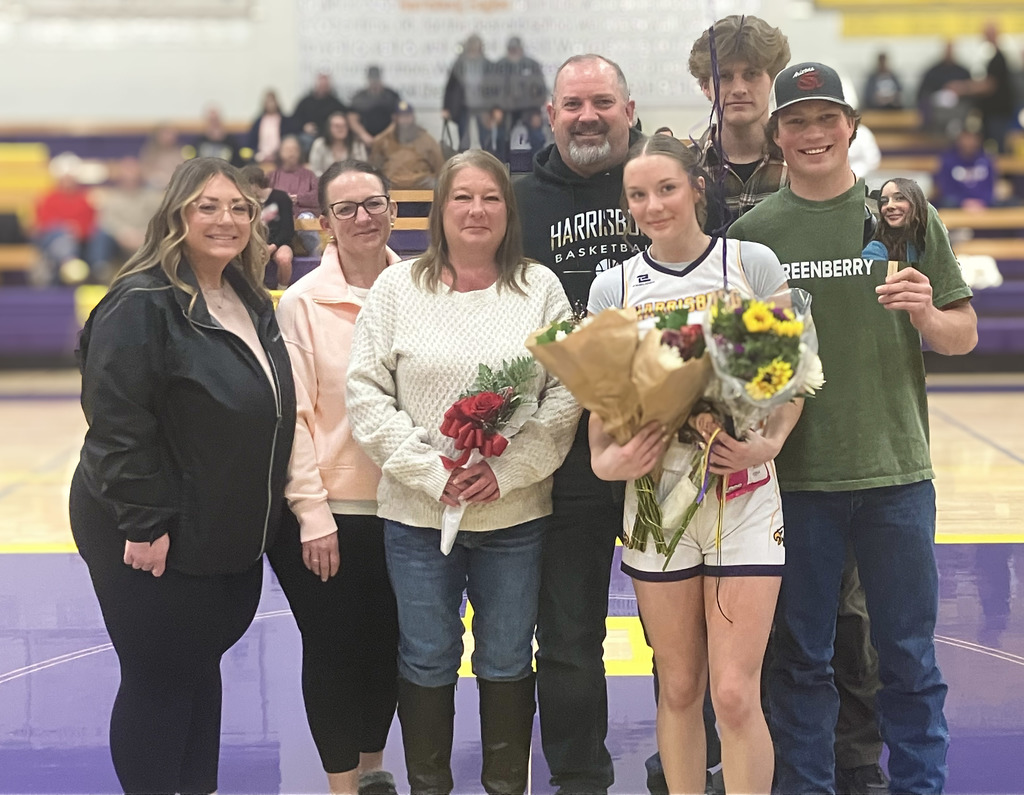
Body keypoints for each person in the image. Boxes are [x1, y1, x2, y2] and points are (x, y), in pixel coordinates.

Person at [728, 61, 977, 795]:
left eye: (825, 118)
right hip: (793, 481)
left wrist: (926, 313)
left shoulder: (903, 212)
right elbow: (741, 370)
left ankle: (920, 786)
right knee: (800, 660)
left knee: (908, 657)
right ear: (776, 135)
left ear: (851, 127)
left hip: (896, 473)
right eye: (796, 121)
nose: (813, 133)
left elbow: (962, 334)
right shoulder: (750, 236)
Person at [346, 149, 579, 795]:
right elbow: (365, 392)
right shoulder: (397, 289)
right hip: (417, 516)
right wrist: (431, 471)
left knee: (506, 654)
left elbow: (567, 391)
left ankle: (506, 786)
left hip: (515, 516)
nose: (477, 210)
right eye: (462, 197)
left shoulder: (539, 288)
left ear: (509, 210)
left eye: (491, 197)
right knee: (427, 655)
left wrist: (509, 470)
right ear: (439, 210)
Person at [69, 157, 296, 795]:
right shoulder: (141, 301)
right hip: (147, 525)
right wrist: (144, 523)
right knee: (159, 677)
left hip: (214, 522)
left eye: (239, 208)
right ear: (176, 216)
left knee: (197, 668)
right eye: (208, 206)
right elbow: (118, 422)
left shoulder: (245, 295)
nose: (227, 220)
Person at [589, 133, 798, 795]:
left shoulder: (751, 263)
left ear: (696, 187)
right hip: (658, 504)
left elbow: (793, 376)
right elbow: (603, 413)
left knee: (734, 693)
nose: (652, 205)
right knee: (679, 686)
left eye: (666, 189)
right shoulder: (613, 286)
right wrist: (609, 461)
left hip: (743, 492)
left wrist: (769, 443)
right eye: (638, 195)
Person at [513, 53, 648, 795]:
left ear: (629, 109)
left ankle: (689, 769)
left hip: (669, 450)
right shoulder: (517, 201)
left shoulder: (669, 183)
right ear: (551, 115)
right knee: (567, 637)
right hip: (564, 455)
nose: (587, 116)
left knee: (685, 634)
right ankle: (578, 777)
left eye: (601, 102)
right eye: (573, 104)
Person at [267, 160, 401, 795]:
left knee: (388, 647)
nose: (362, 218)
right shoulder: (302, 303)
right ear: (324, 223)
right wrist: (313, 514)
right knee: (332, 650)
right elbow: (293, 415)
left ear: (392, 210)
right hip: (329, 515)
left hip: (404, 509)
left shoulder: (420, 289)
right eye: (345, 209)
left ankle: (373, 774)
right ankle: (342, 786)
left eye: (372, 203)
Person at [687, 14, 791, 223]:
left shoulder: (799, 162)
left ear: (773, 80)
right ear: (705, 86)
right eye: (724, 76)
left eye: (751, 74)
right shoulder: (685, 168)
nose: (739, 89)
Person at [90, 156, 163, 282]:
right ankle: (100, 270)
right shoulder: (112, 197)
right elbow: (106, 221)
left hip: (145, 239)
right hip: (119, 240)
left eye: (133, 172)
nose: (130, 176)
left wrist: (143, 234)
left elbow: (159, 220)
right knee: (102, 234)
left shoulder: (151, 198)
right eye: (126, 172)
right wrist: (123, 233)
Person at [240, 164, 295, 288]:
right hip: (254, 242)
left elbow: (287, 229)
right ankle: (254, 290)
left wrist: (272, 247)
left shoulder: (281, 197)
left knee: (284, 259)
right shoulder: (247, 201)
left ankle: (282, 290)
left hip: (279, 242)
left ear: (255, 184)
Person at [369, 102, 445, 190]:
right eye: (401, 117)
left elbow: (440, 166)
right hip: (391, 183)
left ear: (413, 117)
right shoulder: (384, 140)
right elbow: (374, 166)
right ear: (395, 118)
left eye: (407, 116)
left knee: (434, 183)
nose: (405, 121)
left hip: (421, 184)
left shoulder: (427, 139)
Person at [442, 33, 496, 151]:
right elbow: (450, 87)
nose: (473, 50)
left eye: (476, 47)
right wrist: (446, 108)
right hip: (464, 107)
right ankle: (464, 161)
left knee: (486, 140)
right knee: (464, 141)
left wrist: (495, 108)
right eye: (471, 47)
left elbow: (494, 89)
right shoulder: (459, 64)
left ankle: (487, 161)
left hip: (483, 108)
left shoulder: (488, 65)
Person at [863, 177, 930, 263]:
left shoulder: (933, 243)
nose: (889, 206)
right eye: (884, 201)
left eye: (899, 198)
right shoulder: (875, 250)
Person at [916, 41, 972, 136]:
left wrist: (959, 90)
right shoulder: (933, 71)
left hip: (958, 108)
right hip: (937, 109)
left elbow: (971, 91)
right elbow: (923, 93)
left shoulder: (962, 72)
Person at [934, 127, 997, 209]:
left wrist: (981, 202)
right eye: (966, 138)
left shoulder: (987, 160)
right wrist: (963, 202)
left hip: (983, 204)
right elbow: (945, 189)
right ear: (959, 140)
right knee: (947, 203)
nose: (969, 142)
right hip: (956, 204)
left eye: (973, 138)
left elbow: (990, 188)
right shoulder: (948, 161)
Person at [495, 36, 548, 131]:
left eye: (516, 49)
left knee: (536, 136)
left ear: (521, 49)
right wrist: (496, 109)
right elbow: (494, 91)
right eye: (511, 49)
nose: (513, 52)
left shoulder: (532, 65)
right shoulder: (500, 66)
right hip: (506, 110)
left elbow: (541, 89)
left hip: (529, 109)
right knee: (501, 136)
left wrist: (536, 112)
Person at [293, 72, 349, 151]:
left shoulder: (335, 103)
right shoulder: (305, 102)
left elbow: (345, 116)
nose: (323, 86)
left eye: (325, 84)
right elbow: (295, 119)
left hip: (328, 136)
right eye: (321, 84)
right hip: (308, 135)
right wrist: (304, 126)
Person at [349, 66, 402, 148]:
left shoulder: (392, 96)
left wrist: (384, 136)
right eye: (372, 78)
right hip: (365, 141)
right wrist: (363, 135)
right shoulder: (359, 97)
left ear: (380, 78)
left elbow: (398, 118)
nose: (374, 81)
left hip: (388, 140)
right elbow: (352, 119)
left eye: (376, 78)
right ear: (368, 79)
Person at [269, 135, 321, 217]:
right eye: (287, 149)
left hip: (304, 214)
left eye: (294, 149)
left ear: (300, 152)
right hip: (279, 214)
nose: (291, 152)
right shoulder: (272, 176)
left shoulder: (309, 175)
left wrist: (298, 198)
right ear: (280, 152)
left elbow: (317, 197)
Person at [308, 111, 369, 177]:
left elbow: (362, 169)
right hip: (323, 181)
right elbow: (315, 170)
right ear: (329, 128)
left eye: (344, 125)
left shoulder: (357, 145)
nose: (340, 129)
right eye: (336, 126)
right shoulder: (319, 144)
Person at [248, 89, 290, 164]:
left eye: (272, 101)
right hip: (260, 156)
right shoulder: (258, 121)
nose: (270, 104)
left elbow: (287, 138)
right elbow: (252, 141)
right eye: (268, 102)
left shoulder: (285, 121)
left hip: (280, 156)